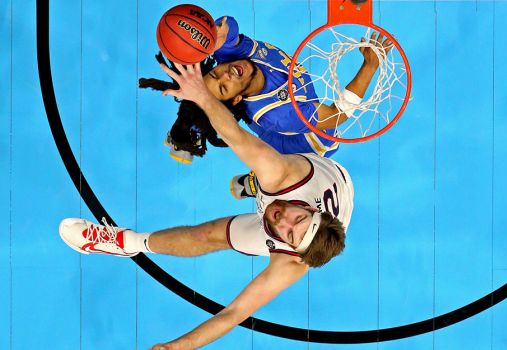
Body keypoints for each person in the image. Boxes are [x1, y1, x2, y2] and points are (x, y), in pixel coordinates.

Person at [59, 60, 354, 349]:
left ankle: (126, 242)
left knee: (208, 236)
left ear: (293, 250)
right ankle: (254, 184)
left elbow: (234, 313)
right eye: (298, 219)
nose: (283, 222)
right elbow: (234, 135)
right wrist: (198, 91)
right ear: (313, 210)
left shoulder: (290, 261)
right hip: (321, 171)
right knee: (270, 147)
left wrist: (178, 347)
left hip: (289, 208)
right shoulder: (283, 175)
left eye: (290, 234)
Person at [151, 15, 392, 163]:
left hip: (270, 118)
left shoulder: (230, 58)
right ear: (236, 97)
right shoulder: (280, 114)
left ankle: (189, 124)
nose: (226, 74)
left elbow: (229, 27)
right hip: (305, 145)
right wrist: (370, 66)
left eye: (215, 73)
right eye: (224, 87)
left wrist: (217, 31)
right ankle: (184, 136)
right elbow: (336, 116)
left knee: (209, 108)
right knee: (276, 174)